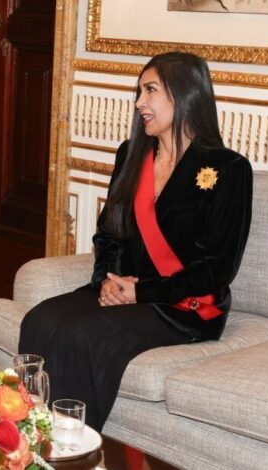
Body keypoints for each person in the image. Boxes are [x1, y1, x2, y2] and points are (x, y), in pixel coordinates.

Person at [18, 51, 252, 431]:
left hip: (183, 307)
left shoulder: (229, 169)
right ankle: (31, 435)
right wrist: (106, 281)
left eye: (150, 90)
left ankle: (73, 443)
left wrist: (140, 292)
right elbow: (109, 233)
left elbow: (218, 268)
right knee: (40, 318)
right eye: (139, 91)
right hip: (125, 292)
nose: (140, 102)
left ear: (185, 94)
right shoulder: (131, 154)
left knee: (83, 334)